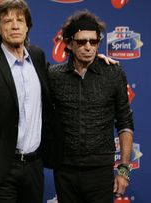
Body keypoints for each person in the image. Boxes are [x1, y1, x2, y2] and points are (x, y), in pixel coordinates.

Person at [0, 0, 62, 202]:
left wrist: (93, 61)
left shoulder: (38, 57)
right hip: (2, 166)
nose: (14, 26)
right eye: (7, 21)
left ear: (27, 26)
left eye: (20, 20)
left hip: (34, 165)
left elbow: (62, 76)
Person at [48, 10, 134, 203]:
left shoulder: (114, 73)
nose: (88, 47)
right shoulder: (53, 75)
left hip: (100, 171)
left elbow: (125, 122)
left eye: (93, 42)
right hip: (64, 170)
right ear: (69, 44)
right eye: (81, 42)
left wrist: (124, 169)